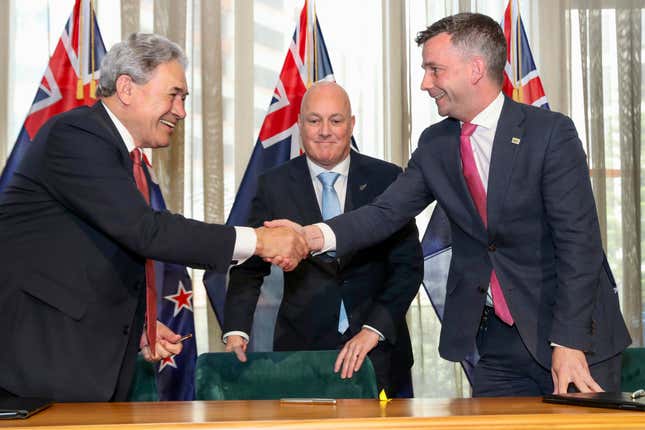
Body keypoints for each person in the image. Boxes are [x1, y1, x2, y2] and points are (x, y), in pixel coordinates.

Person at [269, 13, 631, 397]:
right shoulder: (436, 144)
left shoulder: (549, 134)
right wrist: (310, 237)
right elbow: (385, 213)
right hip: (497, 345)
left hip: (573, 340)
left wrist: (569, 341)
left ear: (475, 69)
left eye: (434, 70)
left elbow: (580, 244)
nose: (426, 83)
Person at [0, 33, 307, 402]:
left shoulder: (126, 159)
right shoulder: (76, 134)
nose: (181, 111)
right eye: (174, 95)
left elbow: (89, 254)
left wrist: (139, 325)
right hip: (38, 363)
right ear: (127, 88)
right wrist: (258, 241)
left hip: (81, 362)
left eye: (184, 99)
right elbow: (146, 231)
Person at [222, 81, 423, 397]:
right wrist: (236, 331)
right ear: (300, 125)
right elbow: (249, 266)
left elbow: (407, 267)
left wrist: (374, 329)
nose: (325, 131)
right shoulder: (272, 185)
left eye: (336, 120)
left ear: (351, 124)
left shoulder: (387, 179)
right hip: (301, 354)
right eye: (314, 120)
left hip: (379, 352)